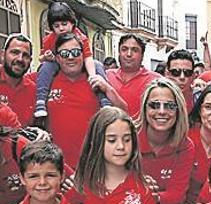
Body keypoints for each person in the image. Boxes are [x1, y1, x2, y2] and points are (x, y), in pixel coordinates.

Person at [45, 32, 128, 170]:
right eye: (65, 54)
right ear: (58, 58)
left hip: (94, 168)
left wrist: (108, 89)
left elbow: (125, 113)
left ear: (83, 55)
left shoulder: (97, 82)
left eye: (76, 52)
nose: (71, 57)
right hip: (57, 169)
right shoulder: (46, 82)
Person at [138, 78, 196, 204]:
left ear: (178, 111)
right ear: (144, 108)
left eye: (169, 106)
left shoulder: (185, 146)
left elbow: (176, 197)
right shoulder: (129, 138)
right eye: (154, 105)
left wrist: (144, 194)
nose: (161, 111)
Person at [33, 2, 111, 120]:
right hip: (56, 63)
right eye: (57, 26)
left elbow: (88, 57)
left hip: (81, 65)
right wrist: (46, 57)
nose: (61, 28)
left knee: (97, 65)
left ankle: (104, 99)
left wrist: (92, 76)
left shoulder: (81, 37)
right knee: (45, 67)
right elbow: (40, 57)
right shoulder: (49, 39)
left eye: (64, 24)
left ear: (72, 23)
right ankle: (40, 101)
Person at [105, 34, 159, 120]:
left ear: (142, 55)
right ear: (119, 53)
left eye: (135, 50)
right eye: (124, 49)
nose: (129, 54)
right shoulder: (106, 76)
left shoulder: (155, 80)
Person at [0, 33, 37, 128]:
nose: (20, 59)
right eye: (15, 52)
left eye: (25, 55)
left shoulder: (33, 90)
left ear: (30, 61)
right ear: (3, 55)